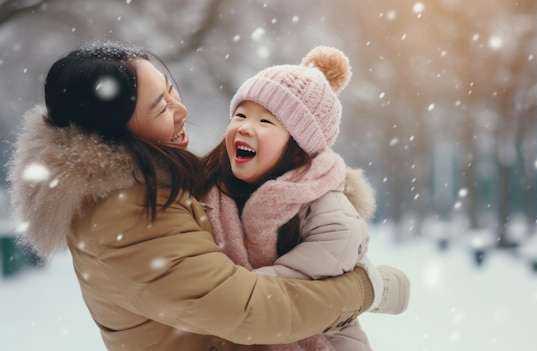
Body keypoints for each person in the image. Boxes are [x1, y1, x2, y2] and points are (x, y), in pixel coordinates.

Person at [7, 41, 410, 351]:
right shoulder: (126, 214)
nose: (181, 110)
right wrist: (365, 290)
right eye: (160, 107)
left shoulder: (158, 186)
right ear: (116, 134)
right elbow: (252, 310)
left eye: (171, 91)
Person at [201, 46, 406, 351]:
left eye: (265, 122)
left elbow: (271, 299)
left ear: (298, 149)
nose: (244, 127)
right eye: (241, 115)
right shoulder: (210, 190)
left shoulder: (332, 216)